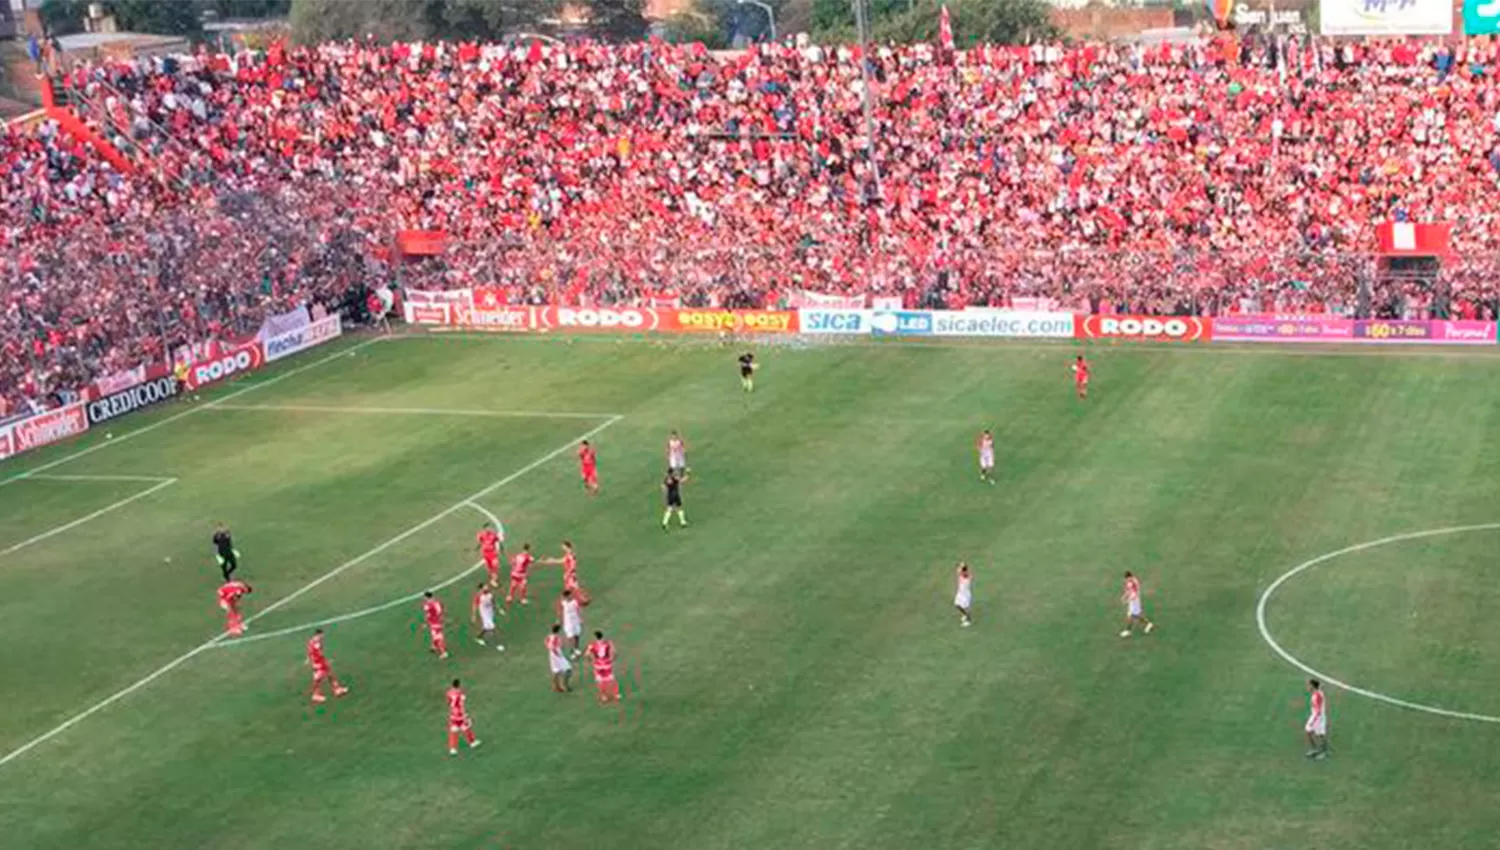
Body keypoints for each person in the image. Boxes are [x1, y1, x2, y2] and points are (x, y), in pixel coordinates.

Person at [306, 628, 350, 703]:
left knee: (329, 674)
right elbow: (319, 654)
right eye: (322, 635)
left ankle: (337, 689)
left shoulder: (311, 641)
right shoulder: (317, 643)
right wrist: (325, 661)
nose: (323, 636)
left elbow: (310, 652)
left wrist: (309, 659)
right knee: (318, 679)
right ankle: (315, 695)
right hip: (319, 663)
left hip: (317, 662)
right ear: (319, 634)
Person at [543, 540, 591, 606]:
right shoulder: (568, 554)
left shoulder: (571, 555)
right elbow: (562, 561)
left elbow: (573, 566)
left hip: (570, 575)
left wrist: (568, 574)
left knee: (574, 588)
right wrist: (552, 560)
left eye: (563, 546)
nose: (562, 547)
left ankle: (582, 600)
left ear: (566, 546)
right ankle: (578, 600)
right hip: (569, 575)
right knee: (570, 588)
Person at [446, 678, 481, 756]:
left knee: (453, 731)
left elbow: (448, 702)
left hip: (453, 715)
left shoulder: (449, 692)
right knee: (466, 727)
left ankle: (452, 748)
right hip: (460, 715)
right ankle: (472, 742)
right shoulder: (460, 693)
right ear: (458, 685)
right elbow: (462, 702)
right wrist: (465, 715)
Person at [587, 630, 621, 704]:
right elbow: (614, 652)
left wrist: (592, 661)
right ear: (602, 636)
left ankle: (604, 696)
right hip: (607, 664)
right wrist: (612, 659)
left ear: (596, 637)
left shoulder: (592, 644)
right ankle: (616, 694)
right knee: (611, 679)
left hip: (598, 665)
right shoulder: (608, 643)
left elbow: (587, 654)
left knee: (600, 681)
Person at [1120, 571, 1155, 638]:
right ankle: (1148, 624)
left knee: (1131, 615)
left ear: (1129, 577)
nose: (1126, 580)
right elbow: (1128, 590)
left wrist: (1128, 600)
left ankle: (1128, 631)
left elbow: (1136, 594)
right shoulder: (1129, 582)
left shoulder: (1134, 582)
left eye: (1127, 578)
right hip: (1132, 601)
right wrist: (1124, 596)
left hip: (1135, 601)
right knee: (1135, 615)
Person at [472, 582, 503, 650]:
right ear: (481, 588)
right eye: (485, 586)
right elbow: (474, 606)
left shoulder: (490, 594)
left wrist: (499, 609)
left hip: (490, 612)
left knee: (486, 627)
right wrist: (474, 615)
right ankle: (498, 644)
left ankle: (478, 637)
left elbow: (494, 602)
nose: (487, 587)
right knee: (492, 627)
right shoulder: (478, 596)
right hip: (484, 613)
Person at [1305, 679, 1329, 759]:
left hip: (1318, 717)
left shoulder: (1317, 695)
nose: (1307, 687)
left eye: (1309, 685)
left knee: (1320, 735)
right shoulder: (1316, 693)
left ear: (1312, 686)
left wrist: (1313, 721)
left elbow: (1318, 709)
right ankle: (1315, 749)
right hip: (1315, 716)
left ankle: (1324, 752)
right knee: (1308, 731)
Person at [558, 588, 584, 659]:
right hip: (568, 622)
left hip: (576, 620)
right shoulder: (563, 603)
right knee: (570, 637)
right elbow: (560, 612)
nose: (570, 596)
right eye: (568, 596)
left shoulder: (575, 602)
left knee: (577, 635)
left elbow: (579, 610)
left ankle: (576, 648)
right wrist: (559, 620)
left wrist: (580, 618)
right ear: (565, 596)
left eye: (570, 595)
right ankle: (571, 652)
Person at [475, 522, 504, 587]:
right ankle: (493, 577)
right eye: (488, 527)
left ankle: (493, 580)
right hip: (485, 554)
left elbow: (498, 541)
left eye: (490, 527)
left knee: (495, 565)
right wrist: (477, 548)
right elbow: (480, 542)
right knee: (489, 567)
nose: (489, 528)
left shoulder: (493, 535)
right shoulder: (481, 535)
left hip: (493, 553)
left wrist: (502, 549)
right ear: (484, 528)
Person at [546, 624, 573, 693]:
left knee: (556, 671)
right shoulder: (557, 638)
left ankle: (556, 686)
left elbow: (547, 645)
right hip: (558, 656)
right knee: (568, 670)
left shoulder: (548, 637)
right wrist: (558, 654)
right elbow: (556, 647)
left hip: (552, 655)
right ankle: (565, 685)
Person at [422, 591, 448, 659]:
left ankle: (443, 653)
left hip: (434, 623)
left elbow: (427, 615)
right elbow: (442, 610)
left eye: (424, 597)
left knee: (437, 637)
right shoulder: (438, 602)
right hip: (439, 622)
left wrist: (425, 623)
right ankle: (434, 647)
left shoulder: (427, 605)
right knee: (438, 635)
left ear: (427, 597)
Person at [954, 562, 973, 627]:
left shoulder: (967, 577)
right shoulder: (962, 573)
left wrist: (963, 568)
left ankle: (968, 621)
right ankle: (964, 614)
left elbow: (966, 575)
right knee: (957, 605)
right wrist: (962, 566)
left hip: (965, 595)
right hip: (960, 593)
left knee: (966, 607)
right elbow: (959, 570)